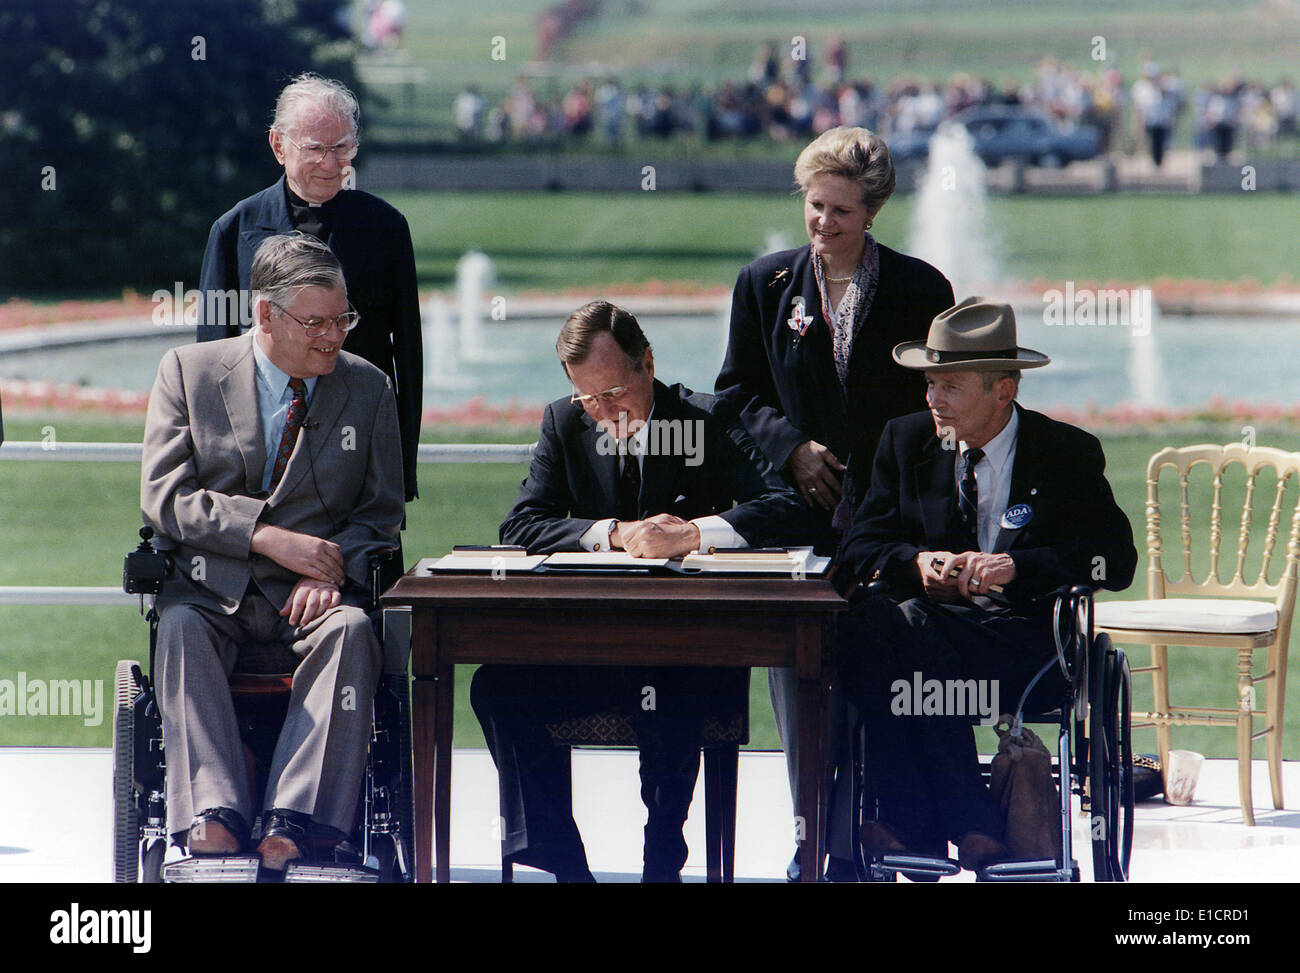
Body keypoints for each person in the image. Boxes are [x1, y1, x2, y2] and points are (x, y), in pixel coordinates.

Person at [472, 301, 808, 882]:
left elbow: (785, 508)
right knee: (496, 686)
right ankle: (561, 862)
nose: (604, 413)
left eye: (615, 394)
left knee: (670, 682)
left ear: (646, 364)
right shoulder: (564, 422)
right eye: (589, 399)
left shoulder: (707, 419)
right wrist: (612, 533)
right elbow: (521, 525)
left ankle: (662, 859)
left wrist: (695, 533)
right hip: (594, 650)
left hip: (690, 653)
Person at [713, 125, 954, 878]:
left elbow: (938, 404)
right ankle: (813, 834)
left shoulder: (921, 289)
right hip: (794, 519)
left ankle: (880, 830)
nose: (823, 224)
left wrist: (881, 480)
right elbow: (734, 393)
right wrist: (791, 446)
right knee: (799, 673)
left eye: (841, 212)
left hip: (890, 522)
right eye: (815, 206)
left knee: (879, 661)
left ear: (872, 212)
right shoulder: (764, 283)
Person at [835, 297, 1137, 869]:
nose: (932, 399)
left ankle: (916, 825)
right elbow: (855, 551)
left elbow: (1114, 561)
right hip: (925, 636)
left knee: (890, 635)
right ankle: (970, 821)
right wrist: (917, 563)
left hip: (1022, 644)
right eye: (929, 383)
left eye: (950, 386)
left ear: (1003, 390)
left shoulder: (1065, 453)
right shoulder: (905, 442)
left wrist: (1018, 566)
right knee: (873, 621)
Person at [142, 233, 405, 870]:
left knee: (349, 630)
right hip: (212, 589)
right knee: (177, 625)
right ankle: (215, 813)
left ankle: (294, 819)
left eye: (343, 319)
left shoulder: (367, 389)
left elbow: (381, 514)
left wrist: (334, 567)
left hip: (312, 601)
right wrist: (263, 536)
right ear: (265, 315)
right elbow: (165, 497)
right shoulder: (189, 372)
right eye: (315, 323)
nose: (333, 337)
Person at [197, 73, 422, 504]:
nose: (331, 163)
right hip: (258, 466)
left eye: (342, 148)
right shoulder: (231, 231)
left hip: (358, 460)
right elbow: (211, 365)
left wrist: (400, 472)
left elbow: (408, 357)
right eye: (316, 148)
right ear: (278, 146)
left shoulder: (387, 228)